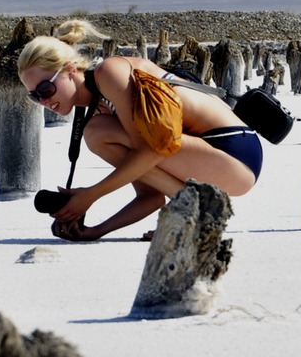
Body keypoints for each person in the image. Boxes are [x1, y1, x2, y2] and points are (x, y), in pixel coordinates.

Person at [17, 20, 262, 241]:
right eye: (34, 96)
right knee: (98, 133)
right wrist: (95, 230)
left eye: (45, 89)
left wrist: (91, 195)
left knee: (98, 134)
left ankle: (196, 212)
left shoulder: (109, 73)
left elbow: (153, 150)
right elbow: (151, 196)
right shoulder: (98, 110)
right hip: (213, 159)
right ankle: (193, 211)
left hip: (233, 151)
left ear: (70, 70)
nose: (43, 100)